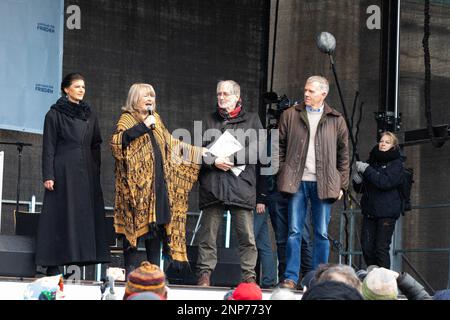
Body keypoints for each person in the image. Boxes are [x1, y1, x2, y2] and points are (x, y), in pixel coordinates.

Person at [110, 83, 206, 275]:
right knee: (133, 234)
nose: (150, 99)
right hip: (136, 191)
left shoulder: (157, 120)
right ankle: (130, 273)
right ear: (134, 99)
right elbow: (117, 143)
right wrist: (142, 127)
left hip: (158, 187)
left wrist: (199, 153)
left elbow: (171, 144)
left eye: (152, 96)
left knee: (155, 231)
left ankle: (155, 274)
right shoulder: (127, 119)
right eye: (145, 96)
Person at [277, 75, 350, 289]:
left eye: (311, 91)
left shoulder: (337, 119)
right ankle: (290, 277)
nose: (306, 94)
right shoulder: (290, 115)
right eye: (305, 90)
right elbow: (277, 147)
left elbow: (344, 155)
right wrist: (283, 171)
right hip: (296, 182)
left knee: (321, 233)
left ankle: (320, 279)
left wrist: (342, 185)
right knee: (294, 231)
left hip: (324, 184)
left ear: (323, 94)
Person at [36, 73, 110, 276]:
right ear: (66, 89)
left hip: (86, 172)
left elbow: (96, 143)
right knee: (60, 215)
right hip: (63, 170)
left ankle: (78, 259)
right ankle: (53, 264)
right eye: (77, 86)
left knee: (81, 216)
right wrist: (48, 175)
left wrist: (95, 169)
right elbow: (48, 147)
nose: (81, 90)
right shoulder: (54, 114)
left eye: (83, 87)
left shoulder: (90, 113)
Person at [196, 80, 264, 286]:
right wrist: (214, 161)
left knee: (246, 237)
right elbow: (197, 151)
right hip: (213, 185)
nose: (221, 97)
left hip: (240, 185)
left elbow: (258, 149)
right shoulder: (208, 120)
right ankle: (204, 275)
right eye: (219, 94)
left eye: (225, 94)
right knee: (207, 236)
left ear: (237, 97)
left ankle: (249, 277)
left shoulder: (252, 120)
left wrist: (231, 159)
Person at [353, 131, 404, 269]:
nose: (383, 144)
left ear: (393, 146)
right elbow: (363, 188)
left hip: (387, 212)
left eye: (387, 142)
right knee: (367, 247)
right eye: (381, 141)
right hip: (370, 211)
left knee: (381, 249)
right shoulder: (373, 161)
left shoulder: (397, 164)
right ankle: (374, 277)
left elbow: (384, 182)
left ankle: (385, 283)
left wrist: (367, 170)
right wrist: (357, 180)